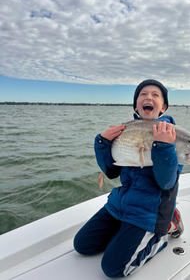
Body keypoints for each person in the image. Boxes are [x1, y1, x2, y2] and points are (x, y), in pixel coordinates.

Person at [74, 79, 184, 278]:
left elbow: (166, 183)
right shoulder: (127, 131)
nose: (148, 97)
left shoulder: (172, 136)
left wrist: (165, 147)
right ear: (136, 105)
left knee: (112, 268)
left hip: (149, 213)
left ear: (163, 107)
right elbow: (110, 171)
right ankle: (123, 230)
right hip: (121, 205)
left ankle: (165, 229)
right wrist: (102, 142)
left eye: (155, 95)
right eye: (143, 94)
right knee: (82, 245)